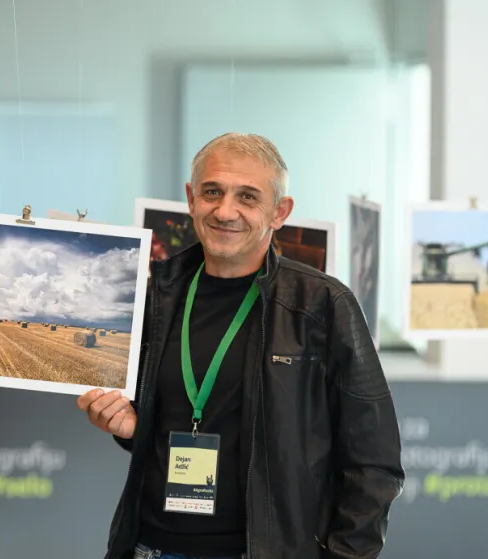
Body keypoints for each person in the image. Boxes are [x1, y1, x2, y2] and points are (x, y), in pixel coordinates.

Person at [78, 133, 404, 559]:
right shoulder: (155, 294)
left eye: (248, 197)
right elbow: (166, 422)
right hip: (152, 547)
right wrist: (131, 431)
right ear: (191, 198)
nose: (225, 211)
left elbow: (374, 462)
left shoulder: (322, 305)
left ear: (279, 212)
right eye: (213, 192)